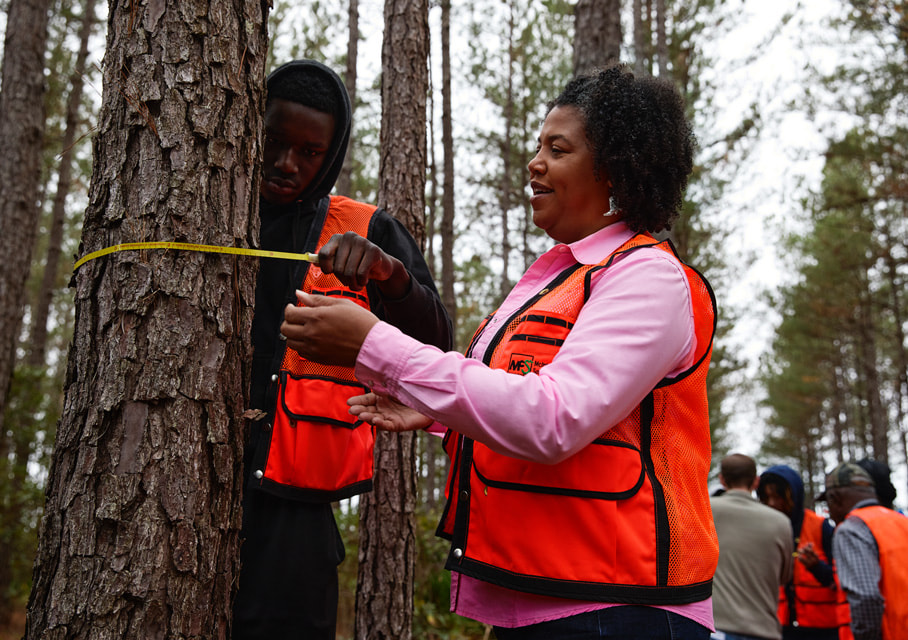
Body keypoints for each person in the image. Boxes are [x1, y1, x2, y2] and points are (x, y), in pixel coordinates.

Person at [281, 64, 718, 638]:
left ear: (614, 171)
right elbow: (530, 403)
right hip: (543, 596)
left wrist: (373, 345)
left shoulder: (649, 279)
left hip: (618, 609)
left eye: (557, 149)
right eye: (538, 146)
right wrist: (439, 415)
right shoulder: (558, 278)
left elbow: (552, 419)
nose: (534, 163)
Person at [231, 60, 453, 639]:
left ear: (331, 154)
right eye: (274, 142)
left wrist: (390, 276)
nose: (287, 164)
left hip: (294, 517)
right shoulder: (209, 211)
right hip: (180, 484)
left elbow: (436, 346)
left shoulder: (364, 229)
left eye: (309, 152)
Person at [818, 462, 908, 640]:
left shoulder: (851, 529)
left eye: (827, 504)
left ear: (835, 498)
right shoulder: (901, 522)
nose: (829, 512)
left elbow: (866, 597)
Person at [710, 454, 794, 640]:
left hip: (717, 629)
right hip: (763, 630)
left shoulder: (706, 511)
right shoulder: (780, 522)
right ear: (756, 481)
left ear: (722, 480)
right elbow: (785, 577)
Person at [758, 465, 839, 639]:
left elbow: (841, 581)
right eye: (767, 497)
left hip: (823, 629)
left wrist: (817, 567)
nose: (772, 503)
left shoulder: (820, 527)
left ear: (793, 496)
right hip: (777, 627)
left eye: (778, 497)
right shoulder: (762, 531)